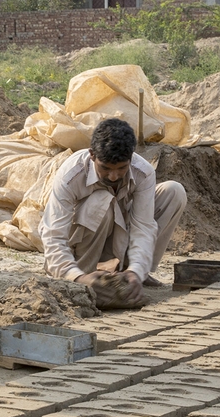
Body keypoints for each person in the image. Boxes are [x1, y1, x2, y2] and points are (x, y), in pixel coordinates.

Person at [40, 117, 187, 306]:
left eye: (121, 169)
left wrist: (137, 269)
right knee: (102, 200)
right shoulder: (71, 175)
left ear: (131, 158)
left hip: (118, 234)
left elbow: (143, 226)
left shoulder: (143, 172)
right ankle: (87, 275)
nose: (113, 176)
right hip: (82, 244)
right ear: (92, 155)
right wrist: (76, 276)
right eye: (105, 168)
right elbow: (53, 235)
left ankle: (128, 274)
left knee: (173, 191)